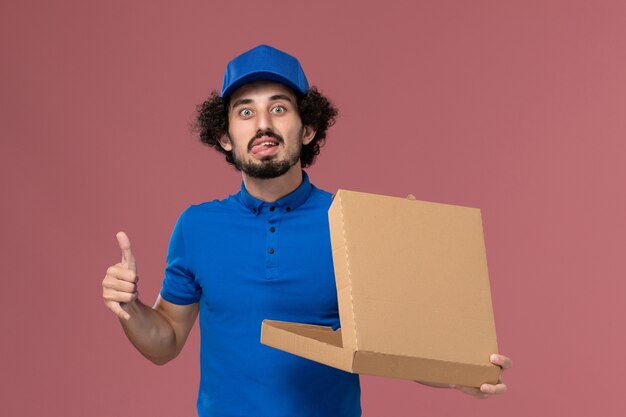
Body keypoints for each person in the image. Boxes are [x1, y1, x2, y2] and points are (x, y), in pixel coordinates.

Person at [102, 44, 511, 417]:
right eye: (245, 111)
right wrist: (131, 308)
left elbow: (398, 345)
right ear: (225, 137)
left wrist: (459, 372)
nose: (263, 124)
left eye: (279, 109)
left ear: (308, 128)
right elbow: (167, 340)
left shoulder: (352, 223)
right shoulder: (196, 226)